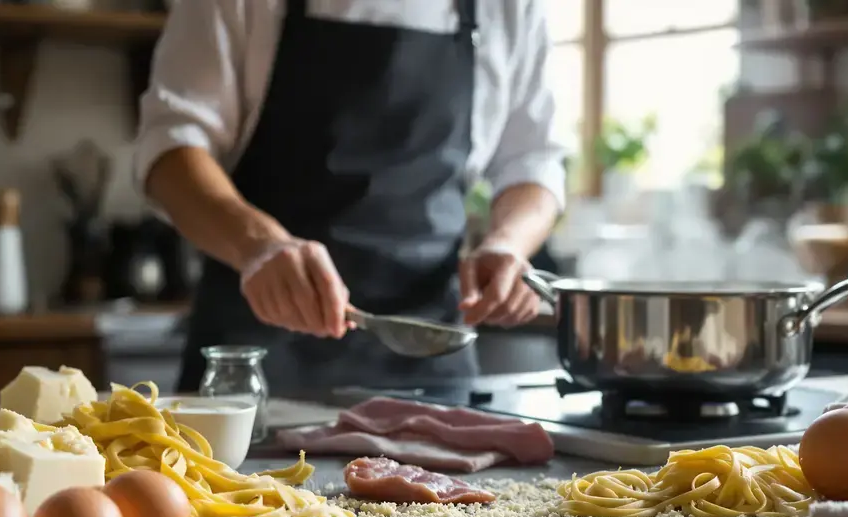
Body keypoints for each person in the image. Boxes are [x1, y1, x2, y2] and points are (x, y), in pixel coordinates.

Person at [136, 0, 570, 394]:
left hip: (430, 358)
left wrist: (508, 244)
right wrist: (258, 245)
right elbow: (172, 152)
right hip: (255, 366)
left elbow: (533, 162)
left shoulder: (511, 7)